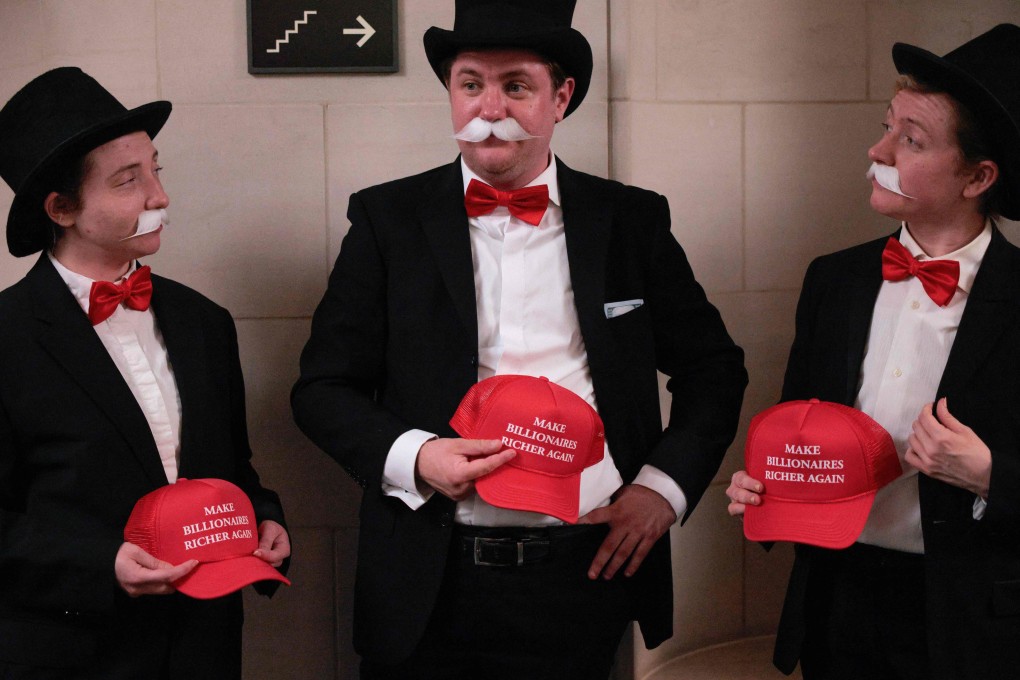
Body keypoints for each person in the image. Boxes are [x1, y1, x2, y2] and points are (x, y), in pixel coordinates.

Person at [291, 1, 747, 678]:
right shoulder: (388, 221)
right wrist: (417, 457)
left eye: (516, 86)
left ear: (561, 97)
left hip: (582, 573)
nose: (489, 107)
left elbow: (713, 369)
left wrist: (662, 489)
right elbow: (322, 391)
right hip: (430, 576)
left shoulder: (630, 220)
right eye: (470, 83)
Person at [726, 24, 1020, 680]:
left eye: (910, 141)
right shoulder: (833, 279)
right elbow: (797, 430)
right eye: (887, 126)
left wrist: (988, 473)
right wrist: (768, 488)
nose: (877, 150)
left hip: (971, 624)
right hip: (837, 605)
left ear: (978, 175)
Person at [0, 67, 291, 678]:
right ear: (62, 208)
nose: (159, 197)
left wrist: (264, 515)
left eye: (156, 170)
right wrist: (102, 562)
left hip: (202, 648)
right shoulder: (8, 334)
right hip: (72, 653)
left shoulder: (204, 322)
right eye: (129, 181)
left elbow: (233, 469)